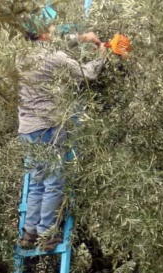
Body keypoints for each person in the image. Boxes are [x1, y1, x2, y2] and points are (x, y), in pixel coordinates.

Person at [17, 5, 106, 252]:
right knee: (54, 181)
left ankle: (29, 233)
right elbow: (87, 75)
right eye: (52, 26)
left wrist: (81, 39)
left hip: (27, 128)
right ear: (44, 33)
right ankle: (48, 235)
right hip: (49, 127)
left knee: (36, 181)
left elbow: (59, 45)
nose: (55, 28)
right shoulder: (54, 57)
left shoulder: (21, 56)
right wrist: (102, 53)